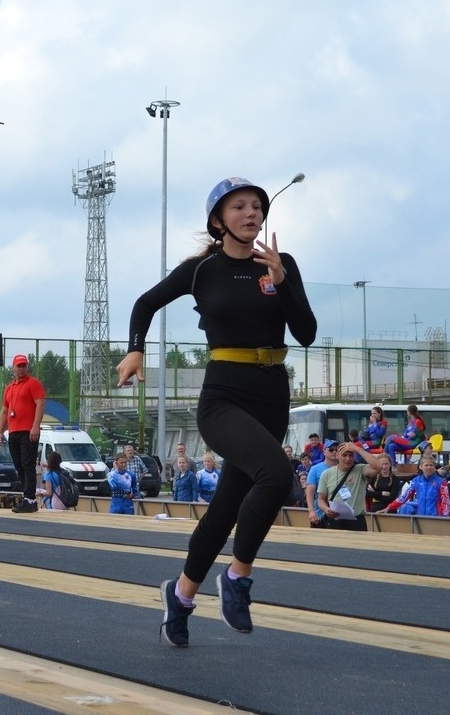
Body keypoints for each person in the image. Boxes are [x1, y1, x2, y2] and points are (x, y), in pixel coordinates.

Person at [115, 176, 317, 648]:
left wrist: (283, 285)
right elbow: (146, 303)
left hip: (272, 393)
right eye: (239, 207)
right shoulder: (202, 270)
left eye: (256, 207)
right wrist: (136, 351)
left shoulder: (281, 265)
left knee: (226, 508)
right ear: (218, 220)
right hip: (224, 395)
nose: (251, 214)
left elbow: (306, 333)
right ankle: (238, 577)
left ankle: (181, 596)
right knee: (276, 475)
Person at [0, 354, 46, 514]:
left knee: (28, 464)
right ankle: (28, 498)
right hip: (14, 431)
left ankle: (30, 499)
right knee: (19, 465)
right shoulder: (9, 388)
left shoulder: (33, 383)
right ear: (13, 368)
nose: (22, 368)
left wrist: (35, 426)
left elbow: (40, 404)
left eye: (24, 365)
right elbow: (4, 411)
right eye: (19, 366)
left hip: (28, 431)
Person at [317, 442, 386, 531]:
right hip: (336, 520)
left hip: (356, 521)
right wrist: (326, 509)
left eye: (351, 455)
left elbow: (378, 466)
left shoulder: (360, 469)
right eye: (344, 455)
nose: (348, 459)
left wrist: (358, 449)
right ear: (337, 456)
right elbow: (321, 499)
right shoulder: (326, 474)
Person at [385, 454, 450, 516]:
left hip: (436, 518)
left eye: (431, 465)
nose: (429, 467)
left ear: (434, 467)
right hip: (420, 518)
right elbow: (403, 498)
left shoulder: (441, 482)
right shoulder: (416, 481)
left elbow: (446, 503)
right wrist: (389, 507)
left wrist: (445, 518)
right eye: (426, 465)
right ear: (421, 467)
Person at [305, 441, 338, 527]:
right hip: (320, 515)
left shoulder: (343, 468)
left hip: (339, 515)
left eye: (336, 449)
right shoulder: (315, 469)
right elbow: (310, 492)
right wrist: (311, 511)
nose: (334, 452)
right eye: (331, 450)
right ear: (324, 452)